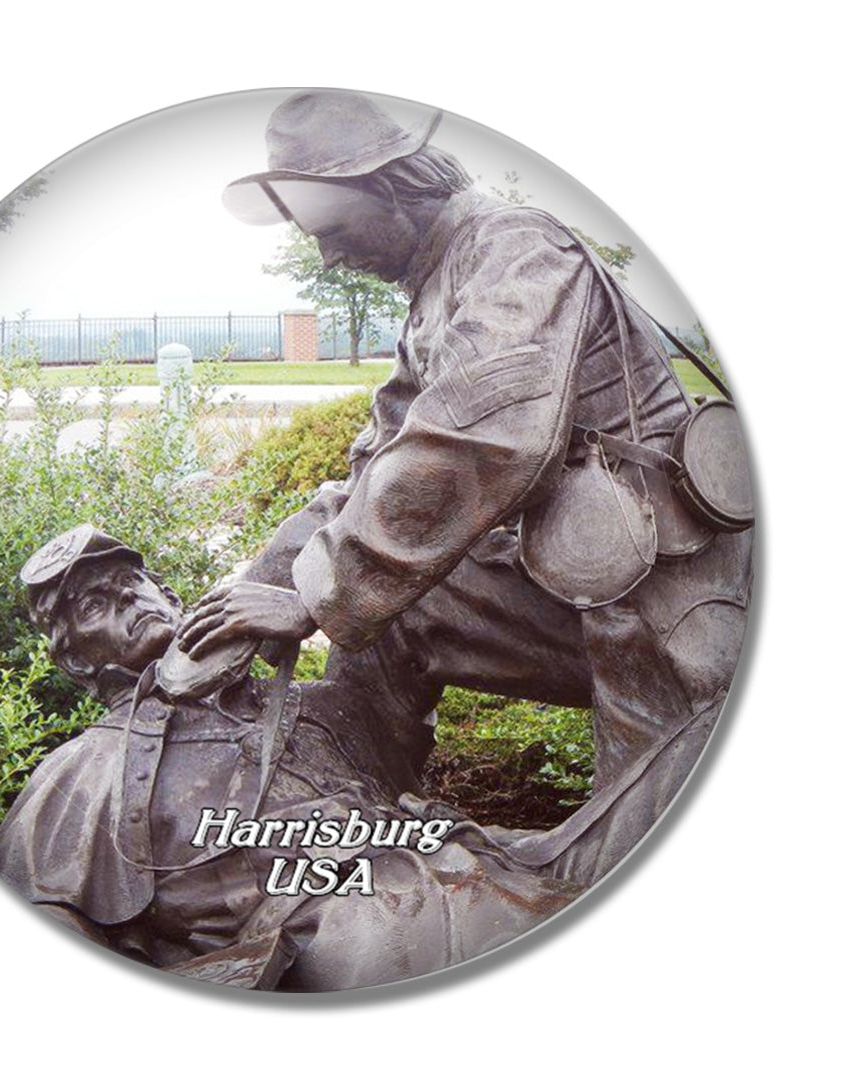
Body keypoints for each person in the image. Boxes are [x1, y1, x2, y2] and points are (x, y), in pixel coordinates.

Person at [179, 90, 753, 886]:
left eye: (334, 231)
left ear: (394, 189)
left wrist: (315, 598)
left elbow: (476, 444)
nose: (329, 259)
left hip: (664, 595)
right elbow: (378, 463)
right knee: (395, 617)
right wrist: (264, 587)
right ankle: (353, 825)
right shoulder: (435, 291)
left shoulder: (514, 249)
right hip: (574, 586)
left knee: (629, 859)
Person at [0, 525, 583, 991]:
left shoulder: (323, 704)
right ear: (77, 661)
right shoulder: (84, 769)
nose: (125, 598)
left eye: (131, 583)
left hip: (478, 866)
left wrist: (315, 602)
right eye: (93, 606)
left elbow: (397, 552)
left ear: (169, 596)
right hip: (345, 930)